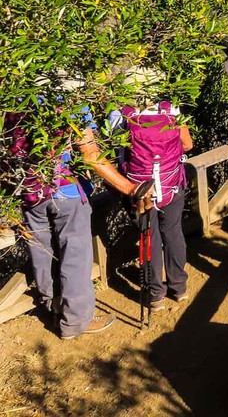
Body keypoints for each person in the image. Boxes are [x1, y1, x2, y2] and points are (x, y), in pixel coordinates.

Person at [9, 105, 149, 339]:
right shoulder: (70, 100)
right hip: (65, 191)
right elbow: (90, 155)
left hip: (29, 191)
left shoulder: (15, 96)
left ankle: (52, 305)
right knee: (75, 256)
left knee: (43, 253)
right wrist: (130, 188)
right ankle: (74, 322)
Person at [106, 99, 194, 310]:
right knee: (173, 231)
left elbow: (115, 151)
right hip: (171, 183)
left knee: (148, 236)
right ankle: (179, 287)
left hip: (140, 189)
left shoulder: (119, 114)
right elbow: (187, 144)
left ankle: (155, 294)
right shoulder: (170, 109)